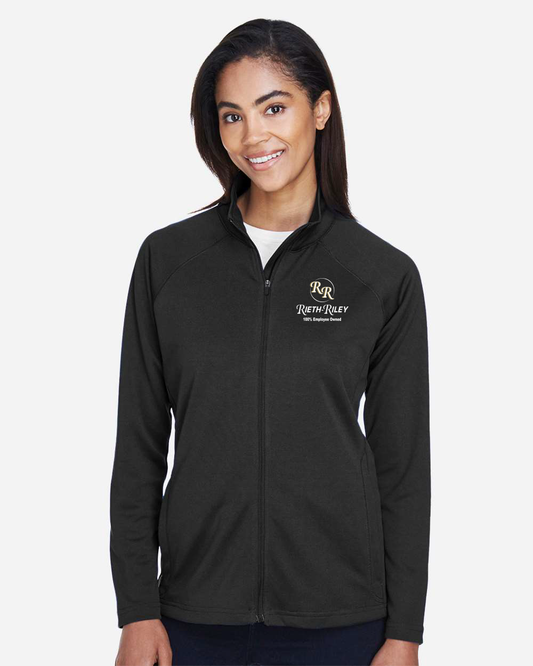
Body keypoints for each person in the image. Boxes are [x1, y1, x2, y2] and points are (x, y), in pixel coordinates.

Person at [110, 18, 431, 666]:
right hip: (193, 618)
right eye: (231, 116)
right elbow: (138, 447)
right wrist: (137, 609)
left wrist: (405, 631)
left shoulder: (380, 275)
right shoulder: (168, 262)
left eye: (273, 108)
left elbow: (402, 469)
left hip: (342, 620)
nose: (252, 135)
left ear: (321, 109)